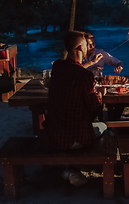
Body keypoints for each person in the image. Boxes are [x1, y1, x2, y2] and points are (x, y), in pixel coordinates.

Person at [41, 30, 107, 186]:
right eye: (85, 46)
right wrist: (100, 95)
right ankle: (75, 167)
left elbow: (73, 71)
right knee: (104, 127)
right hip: (71, 138)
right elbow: (94, 106)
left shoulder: (57, 66)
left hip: (52, 133)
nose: (87, 49)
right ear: (79, 49)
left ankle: (69, 168)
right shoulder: (85, 76)